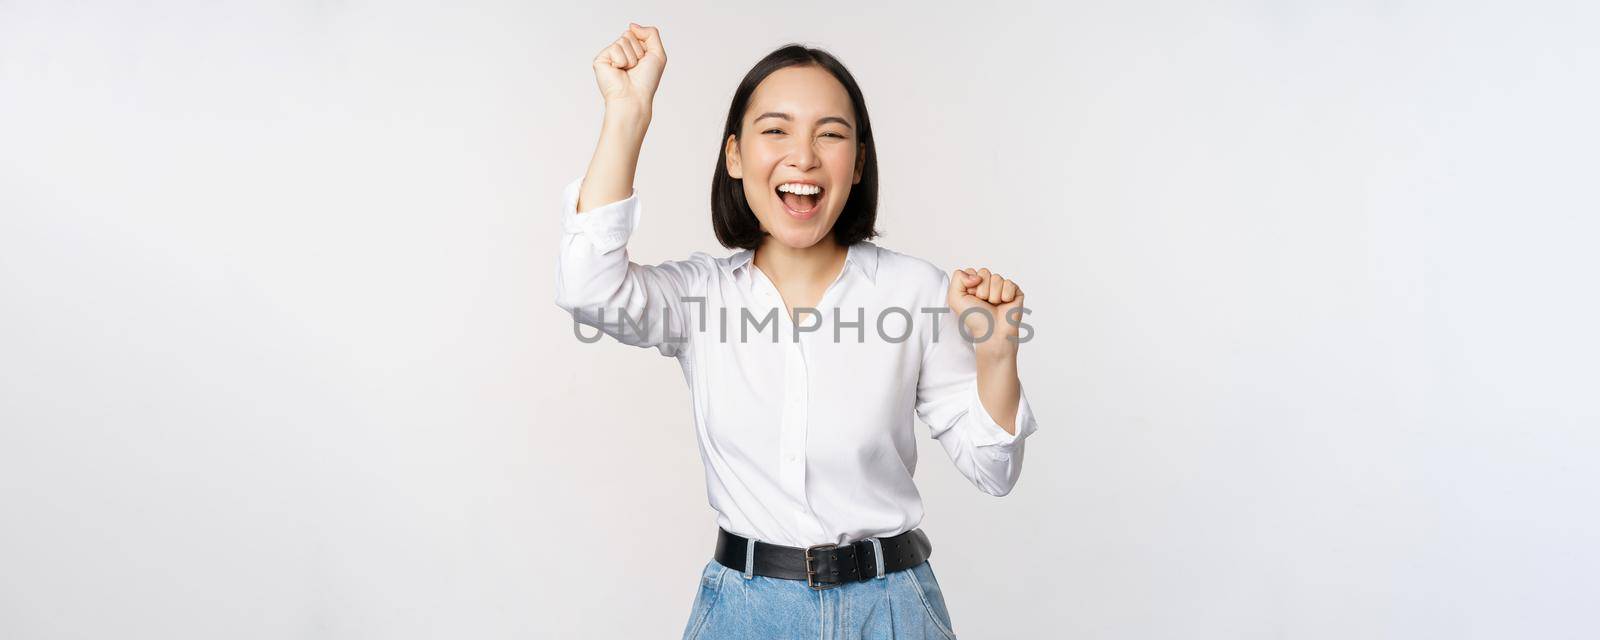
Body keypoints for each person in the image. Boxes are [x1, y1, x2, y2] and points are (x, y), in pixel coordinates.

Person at [555, 22, 1040, 640]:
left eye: (830, 134)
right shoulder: (702, 296)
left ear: (858, 161)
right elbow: (589, 289)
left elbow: (994, 472)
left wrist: (997, 356)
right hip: (745, 613)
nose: (803, 157)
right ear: (735, 155)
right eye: (775, 129)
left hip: (891, 611)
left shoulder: (917, 292)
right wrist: (628, 113)